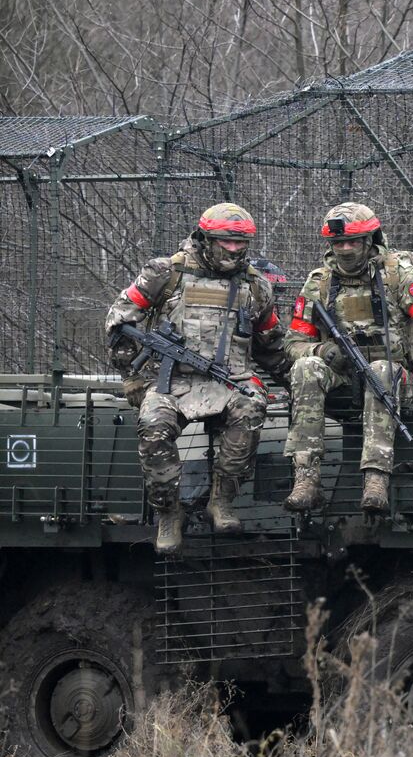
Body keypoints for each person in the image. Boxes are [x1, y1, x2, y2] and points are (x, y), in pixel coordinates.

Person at [106, 202, 291, 554]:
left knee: (252, 407)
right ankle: (169, 513)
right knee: (153, 424)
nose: (233, 250)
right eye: (225, 241)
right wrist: (130, 375)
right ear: (206, 237)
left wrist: (295, 378)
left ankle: (221, 502)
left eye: (240, 243)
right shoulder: (165, 272)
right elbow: (119, 321)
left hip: (229, 379)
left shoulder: (256, 286)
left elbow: (270, 345)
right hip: (169, 380)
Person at [283, 202, 413, 514]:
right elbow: (294, 341)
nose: (345, 249)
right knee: (305, 368)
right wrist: (320, 351)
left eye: (352, 242)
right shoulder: (319, 282)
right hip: (342, 375)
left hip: (397, 376)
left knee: (382, 370)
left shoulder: (398, 275)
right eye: (338, 243)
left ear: (370, 241)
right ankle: (307, 478)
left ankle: (376, 478)